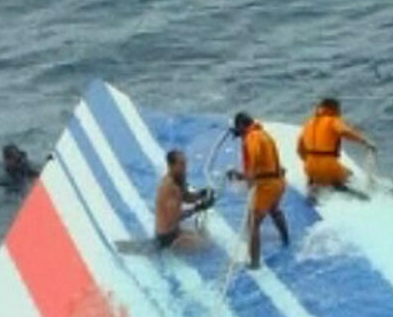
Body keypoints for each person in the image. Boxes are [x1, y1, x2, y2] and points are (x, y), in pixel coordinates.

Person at [228, 112, 290, 269]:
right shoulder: (263, 134)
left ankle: (254, 263)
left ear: (242, 125)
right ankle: (286, 240)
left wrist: (240, 175)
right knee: (275, 210)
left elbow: (253, 160)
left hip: (267, 185)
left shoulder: (252, 138)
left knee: (253, 223)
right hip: (279, 182)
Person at [297, 97, 375, 200]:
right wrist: (364, 141)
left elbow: (299, 150)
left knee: (318, 175)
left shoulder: (308, 123)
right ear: (333, 109)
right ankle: (339, 187)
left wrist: (313, 163)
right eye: (339, 109)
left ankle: (314, 185)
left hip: (309, 169)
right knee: (349, 174)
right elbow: (343, 131)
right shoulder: (333, 120)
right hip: (329, 168)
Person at [154, 149, 215, 251]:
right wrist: (198, 208)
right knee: (206, 246)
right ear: (171, 166)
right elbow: (173, 218)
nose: (185, 168)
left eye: (185, 164)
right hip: (168, 238)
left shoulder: (179, 179)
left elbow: (186, 197)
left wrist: (201, 194)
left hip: (176, 231)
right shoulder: (169, 187)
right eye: (181, 164)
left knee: (205, 235)